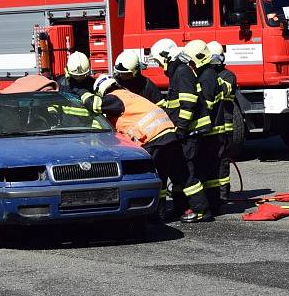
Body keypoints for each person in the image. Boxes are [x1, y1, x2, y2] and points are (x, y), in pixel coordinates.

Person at [84, 74, 183, 222]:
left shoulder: (114, 98)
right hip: (168, 134)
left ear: (101, 91)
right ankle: (169, 211)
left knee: (152, 178)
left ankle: (154, 216)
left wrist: (82, 95)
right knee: (166, 177)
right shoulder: (127, 94)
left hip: (154, 138)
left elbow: (95, 104)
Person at [150, 38, 211, 223]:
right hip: (184, 132)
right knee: (178, 171)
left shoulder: (181, 72)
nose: (158, 64)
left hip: (189, 132)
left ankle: (202, 211)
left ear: (165, 57)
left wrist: (181, 129)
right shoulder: (178, 71)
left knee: (186, 172)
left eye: (158, 60)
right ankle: (180, 208)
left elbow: (188, 103)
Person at [182, 40, 222, 214]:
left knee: (204, 170)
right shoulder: (209, 74)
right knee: (210, 172)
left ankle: (209, 205)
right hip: (213, 132)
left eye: (190, 61)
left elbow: (206, 106)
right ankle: (213, 204)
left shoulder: (206, 77)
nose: (189, 64)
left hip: (209, 133)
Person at [206, 41, 237, 204]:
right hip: (211, 126)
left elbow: (224, 91)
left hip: (225, 127)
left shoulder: (228, 76)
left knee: (223, 162)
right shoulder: (207, 75)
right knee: (210, 160)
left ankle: (223, 194)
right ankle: (212, 193)